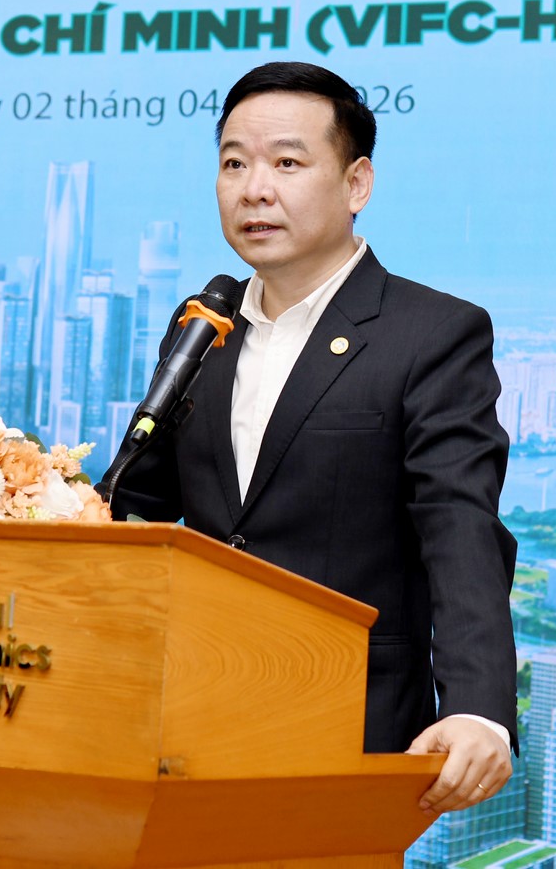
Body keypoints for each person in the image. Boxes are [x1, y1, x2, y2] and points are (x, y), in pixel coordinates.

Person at [109, 61, 516, 816]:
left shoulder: (431, 333)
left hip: (346, 723)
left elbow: (458, 525)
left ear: (357, 184)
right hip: (186, 719)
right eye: (234, 164)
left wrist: (477, 707)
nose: (253, 189)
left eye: (287, 164)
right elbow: (139, 506)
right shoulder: (202, 326)